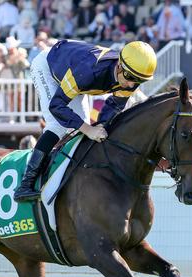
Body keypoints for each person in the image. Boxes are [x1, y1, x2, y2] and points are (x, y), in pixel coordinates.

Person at [13, 39, 157, 202]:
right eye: (130, 77)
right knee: (58, 126)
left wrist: (99, 127)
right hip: (48, 68)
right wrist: (88, 129)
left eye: (139, 80)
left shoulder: (130, 76)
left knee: (81, 131)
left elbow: (113, 107)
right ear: (119, 65)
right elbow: (56, 106)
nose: (131, 84)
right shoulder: (88, 70)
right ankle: (25, 184)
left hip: (74, 70)